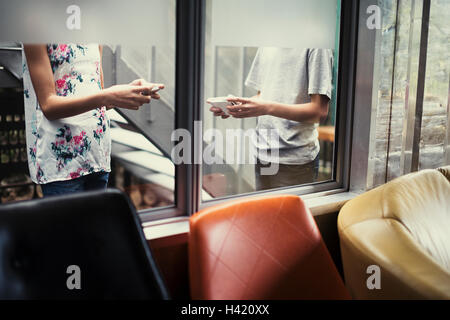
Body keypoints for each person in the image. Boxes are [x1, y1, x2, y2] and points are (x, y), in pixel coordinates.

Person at [22, 43, 164, 196]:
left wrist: (127, 92)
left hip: (97, 155)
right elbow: (48, 105)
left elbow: (96, 99)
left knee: (96, 220)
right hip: (62, 163)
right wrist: (109, 95)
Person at [209, 47, 333, 190]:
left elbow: (319, 111)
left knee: (287, 213)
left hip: (294, 160)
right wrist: (236, 106)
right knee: (265, 212)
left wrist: (265, 107)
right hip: (262, 153)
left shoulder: (317, 45)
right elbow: (264, 96)